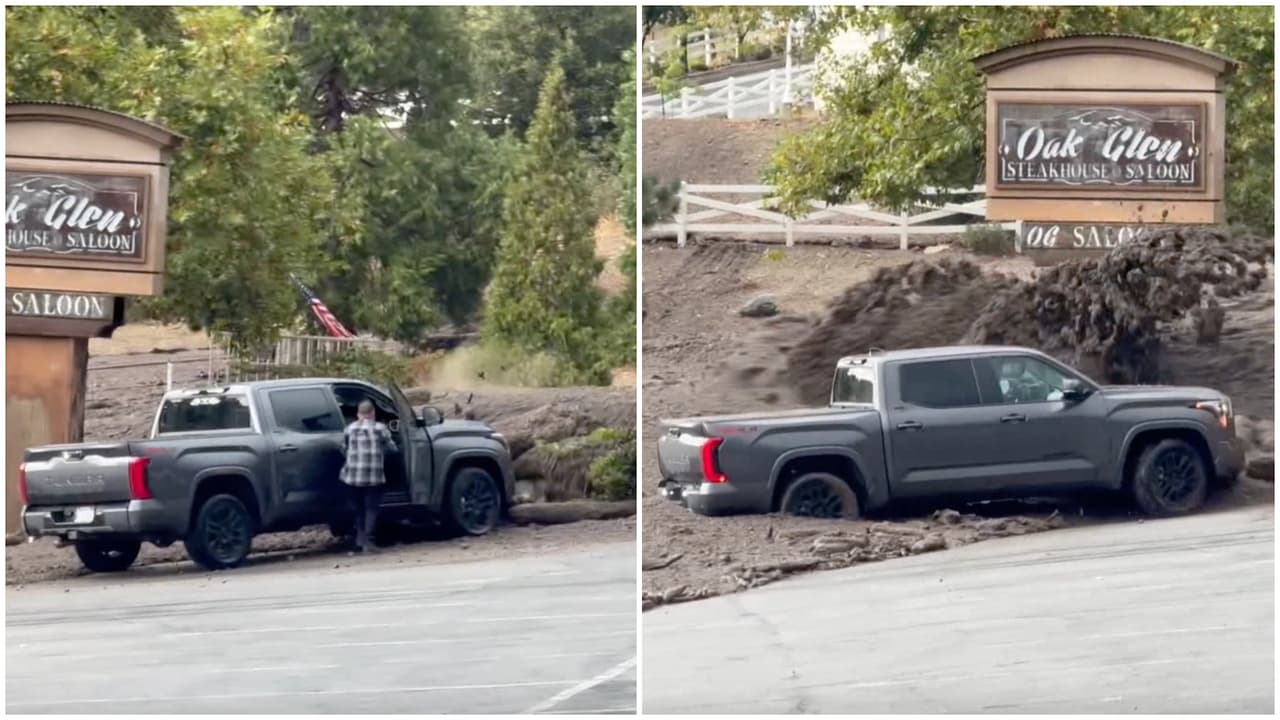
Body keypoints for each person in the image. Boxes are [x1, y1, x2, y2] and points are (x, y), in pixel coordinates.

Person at [340, 399, 397, 553]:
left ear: (359, 414)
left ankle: (359, 541)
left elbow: (343, 449)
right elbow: (392, 449)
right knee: (371, 508)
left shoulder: (349, 429)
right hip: (373, 476)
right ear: (373, 413)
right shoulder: (381, 428)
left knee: (358, 509)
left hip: (352, 477)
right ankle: (369, 542)